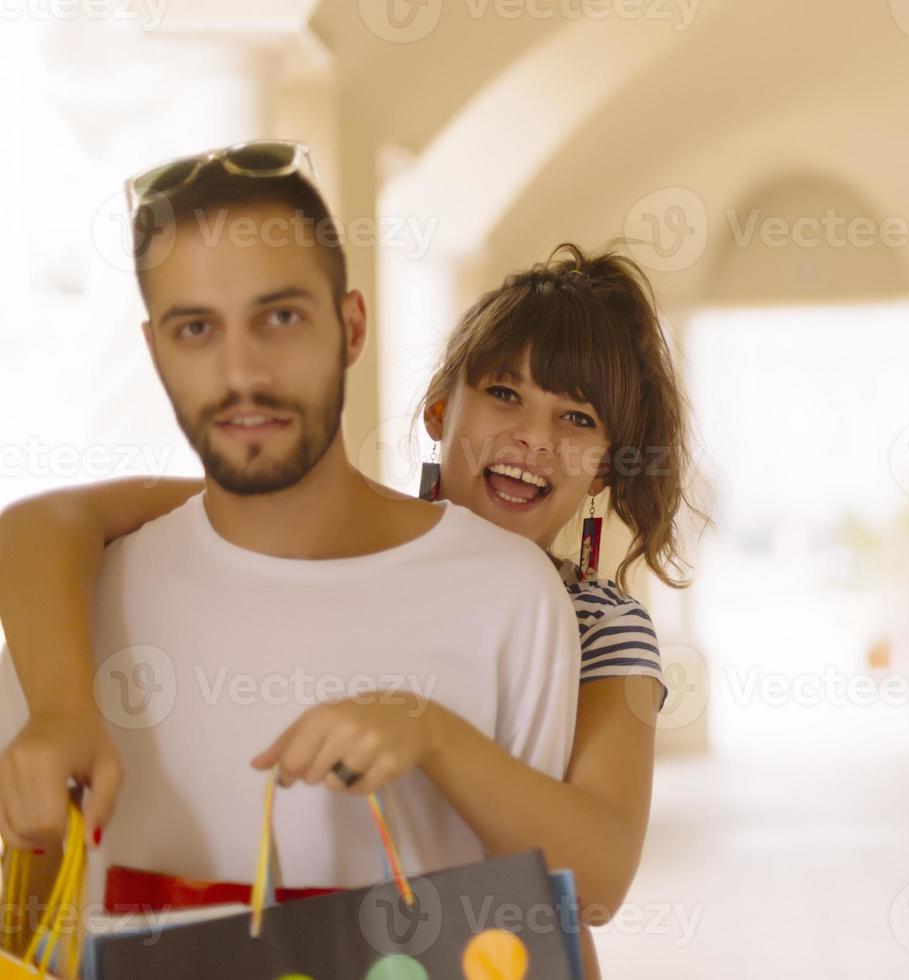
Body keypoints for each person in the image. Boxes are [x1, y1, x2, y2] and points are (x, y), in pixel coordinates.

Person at [0, 143, 584, 915]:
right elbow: (33, 913)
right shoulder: (77, 616)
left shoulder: (509, 594)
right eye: (195, 329)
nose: (242, 371)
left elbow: (549, 904)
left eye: (279, 316)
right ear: (156, 352)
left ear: (349, 328)